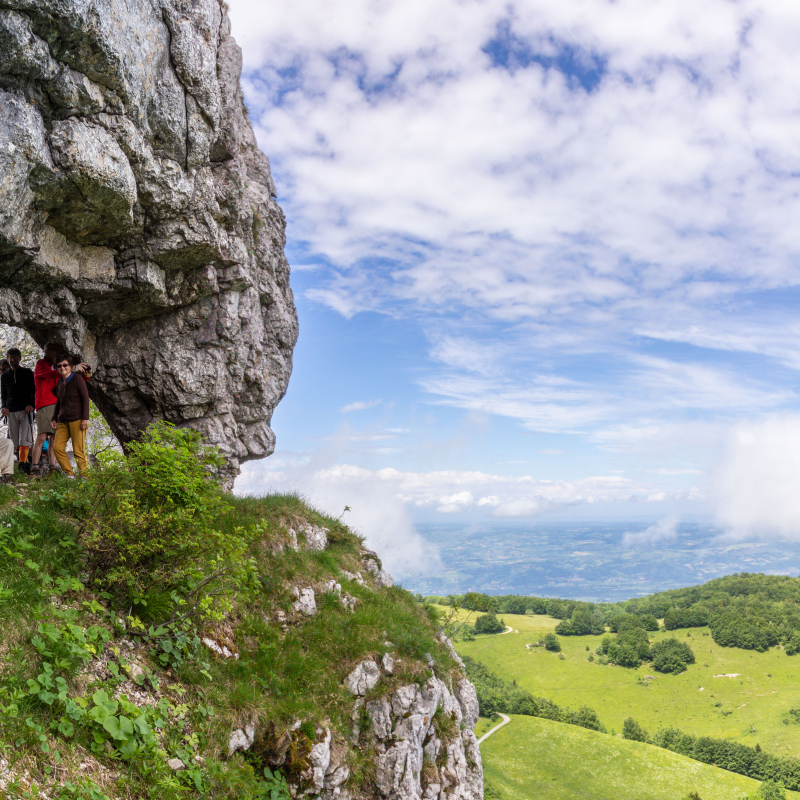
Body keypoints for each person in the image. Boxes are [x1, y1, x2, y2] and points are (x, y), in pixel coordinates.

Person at [30, 343, 91, 477]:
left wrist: (85, 375)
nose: (61, 367)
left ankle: (59, 469)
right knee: (42, 436)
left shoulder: (65, 377)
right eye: (54, 350)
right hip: (46, 404)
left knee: (57, 440)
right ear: (46, 351)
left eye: (65, 365)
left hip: (66, 411)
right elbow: (51, 374)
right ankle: (35, 466)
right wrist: (74, 368)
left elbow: (77, 385)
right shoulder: (42, 364)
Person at [51, 354, 90, 478]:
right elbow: (59, 402)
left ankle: (84, 478)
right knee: (57, 448)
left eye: (65, 365)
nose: (62, 367)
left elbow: (85, 398)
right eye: (59, 366)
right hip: (63, 420)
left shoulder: (77, 379)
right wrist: (54, 418)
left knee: (78, 451)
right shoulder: (59, 382)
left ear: (71, 367)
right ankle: (70, 475)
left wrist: (85, 418)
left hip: (77, 419)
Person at [1, 347, 35, 468]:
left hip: (25, 410)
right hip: (11, 411)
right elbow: (3, 394)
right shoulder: (4, 376)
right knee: (14, 438)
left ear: (20, 358)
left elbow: (33, 390)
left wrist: (32, 405)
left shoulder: (27, 372)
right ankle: (17, 462)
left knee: (24, 438)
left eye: (15, 357)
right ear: (7, 358)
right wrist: (3, 407)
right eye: (10, 357)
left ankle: (23, 463)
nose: (12, 359)